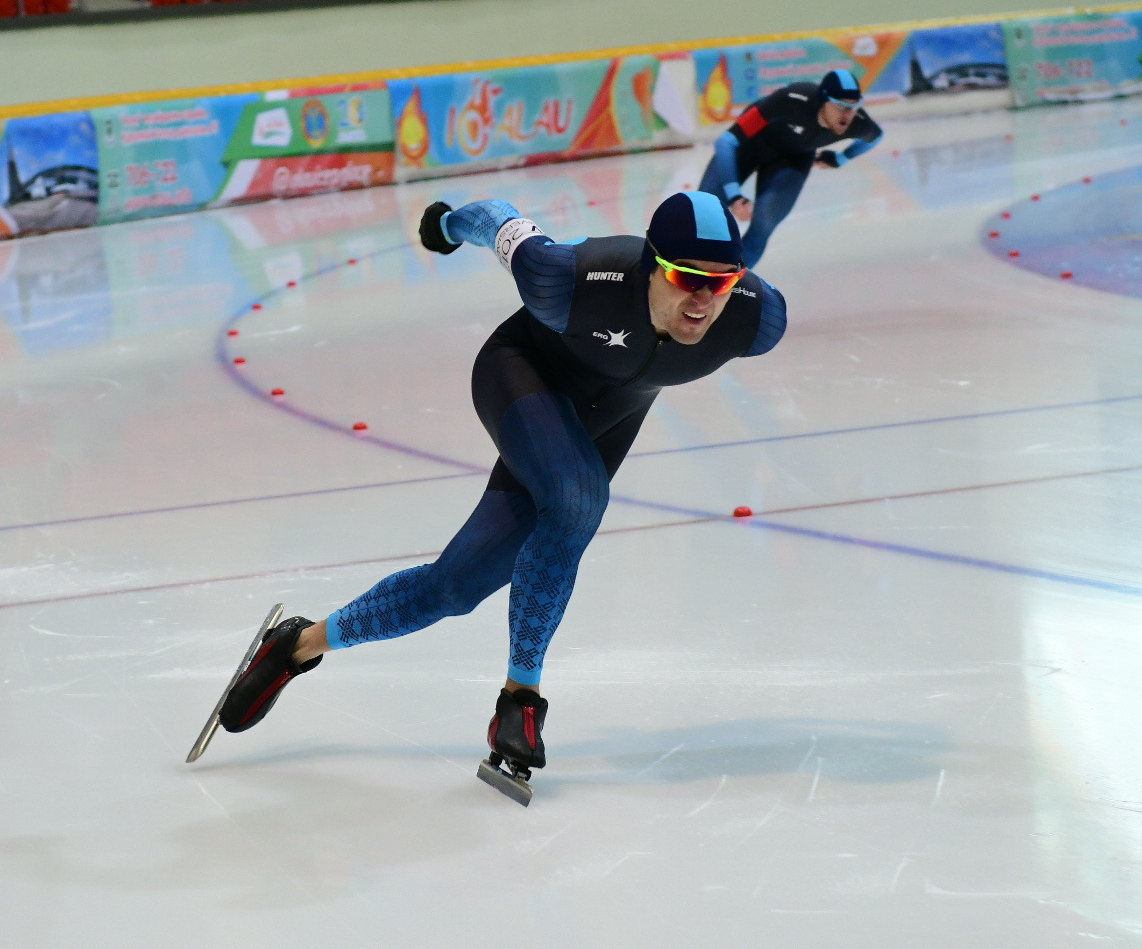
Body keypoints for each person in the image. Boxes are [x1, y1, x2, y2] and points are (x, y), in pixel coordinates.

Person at [213, 190, 788, 799]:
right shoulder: (568, 277)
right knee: (577, 496)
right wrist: (444, 225)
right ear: (650, 264)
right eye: (684, 278)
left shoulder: (757, 318)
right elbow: (497, 219)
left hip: (610, 416)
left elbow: (736, 299)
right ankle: (521, 700)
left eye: (720, 282)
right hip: (521, 376)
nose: (702, 300)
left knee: (453, 588)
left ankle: (296, 646)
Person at [698, 69, 883, 267]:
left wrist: (841, 159)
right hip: (750, 144)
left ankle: (728, 287)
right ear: (823, 100)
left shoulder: (858, 123)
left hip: (792, 160)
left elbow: (875, 138)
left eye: (854, 106)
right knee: (702, 212)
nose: (847, 115)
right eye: (840, 106)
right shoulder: (791, 100)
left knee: (763, 225)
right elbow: (726, 142)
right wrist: (734, 196)